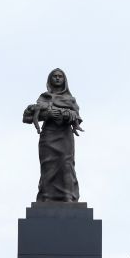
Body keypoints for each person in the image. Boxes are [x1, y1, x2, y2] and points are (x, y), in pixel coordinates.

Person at [22, 69, 84, 203]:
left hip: (65, 135)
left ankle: (68, 196)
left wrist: (69, 115)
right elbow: (28, 117)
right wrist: (48, 114)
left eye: (60, 76)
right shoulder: (44, 97)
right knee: (48, 166)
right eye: (54, 76)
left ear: (64, 80)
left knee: (66, 164)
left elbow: (77, 118)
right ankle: (46, 196)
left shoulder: (70, 100)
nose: (57, 78)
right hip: (48, 135)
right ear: (50, 79)